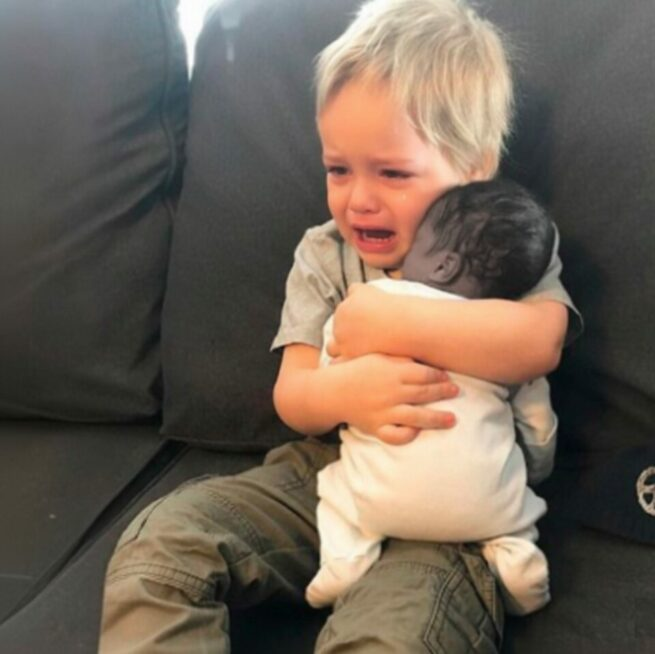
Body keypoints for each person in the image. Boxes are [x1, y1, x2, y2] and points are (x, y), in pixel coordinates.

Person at [99, 1, 581, 651]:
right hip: (332, 477)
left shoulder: (508, 244)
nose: (358, 199)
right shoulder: (325, 253)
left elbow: (539, 342)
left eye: (392, 172)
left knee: (390, 639)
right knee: (160, 549)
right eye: (338, 169)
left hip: (453, 520)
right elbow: (294, 395)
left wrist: (387, 318)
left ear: (474, 167)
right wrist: (347, 392)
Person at [306, 179, 558, 616]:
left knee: (334, 489)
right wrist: (536, 470)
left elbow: (330, 363)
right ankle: (515, 551)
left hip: (376, 499)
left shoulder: (372, 300)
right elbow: (537, 424)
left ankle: (345, 557)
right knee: (512, 507)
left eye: (417, 246)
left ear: (443, 265)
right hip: (485, 503)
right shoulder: (508, 332)